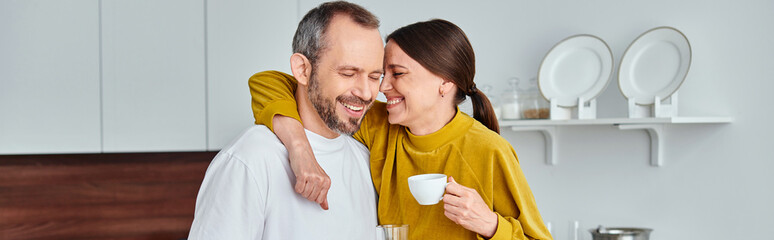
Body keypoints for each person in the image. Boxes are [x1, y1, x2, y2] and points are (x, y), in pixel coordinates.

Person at [250, 19, 553, 240]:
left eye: (397, 73)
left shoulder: (489, 151)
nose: (381, 87)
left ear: (444, 83)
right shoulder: (379, 124)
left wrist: (490, 226)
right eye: (384, 73)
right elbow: (268, 82)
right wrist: (299, 148)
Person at [188, 2, 385, 239]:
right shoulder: (250, 159)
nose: (365, 92)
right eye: (348, 74)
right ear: (302, 70)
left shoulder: (365, 161)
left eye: (374, 77)